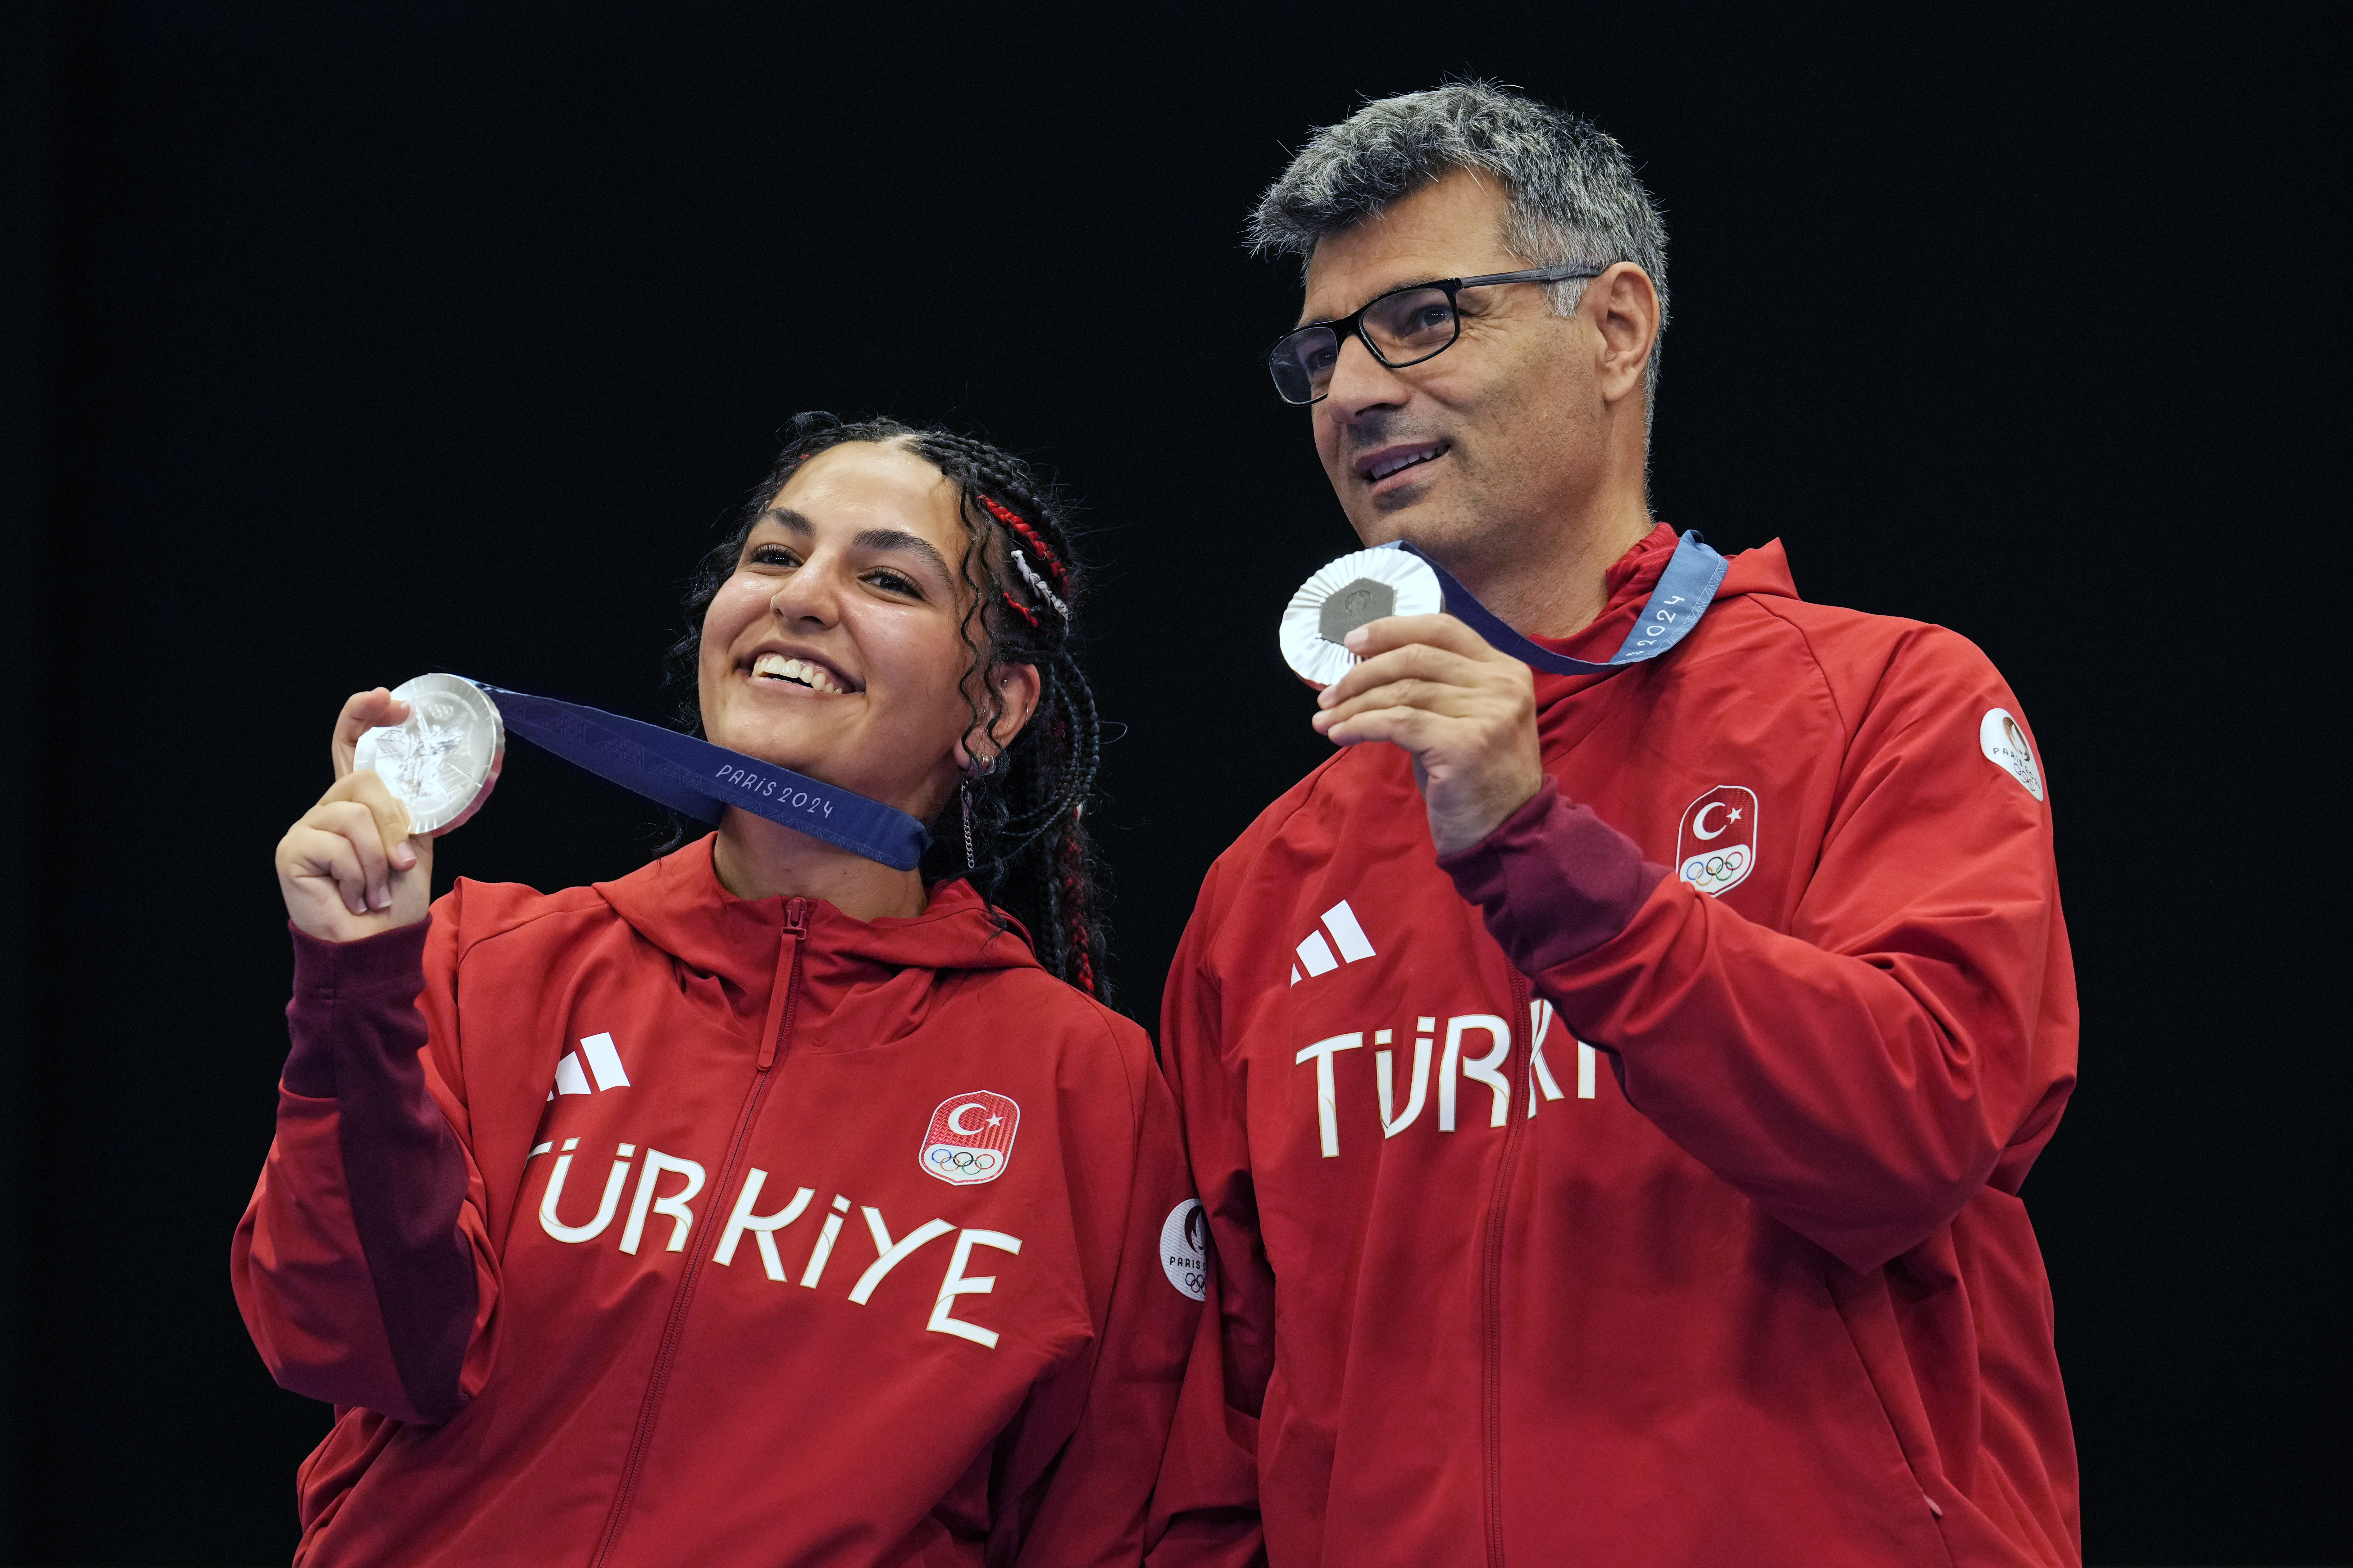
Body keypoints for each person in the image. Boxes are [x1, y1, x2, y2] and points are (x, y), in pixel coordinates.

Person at [1146, 84, 2079, 1566]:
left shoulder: (1887, 698)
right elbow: (1215, 1428)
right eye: (1322, 351)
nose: (1354, 394)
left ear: (1617, 327)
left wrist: (1543, 856)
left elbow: (1917, 1133)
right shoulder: (1267, 880)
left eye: (1426, 318)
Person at [234, 413, 1200, 1566]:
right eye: (775, 555)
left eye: (886, 576)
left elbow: (1107, 1523)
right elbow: (352, 1347)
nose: (800, 597)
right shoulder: (485, 959)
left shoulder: (1085, 1084)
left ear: (992, 711)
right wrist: (356, 990)